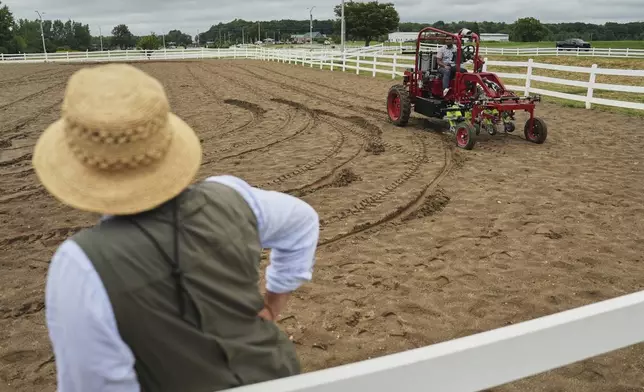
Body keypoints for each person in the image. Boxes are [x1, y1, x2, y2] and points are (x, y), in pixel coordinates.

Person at [34, 63, 320, 392]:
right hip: (279, 377)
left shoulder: (80, 264)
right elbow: (302, 221)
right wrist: (272, 305)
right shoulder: (233, 196)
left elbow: (96, 383)